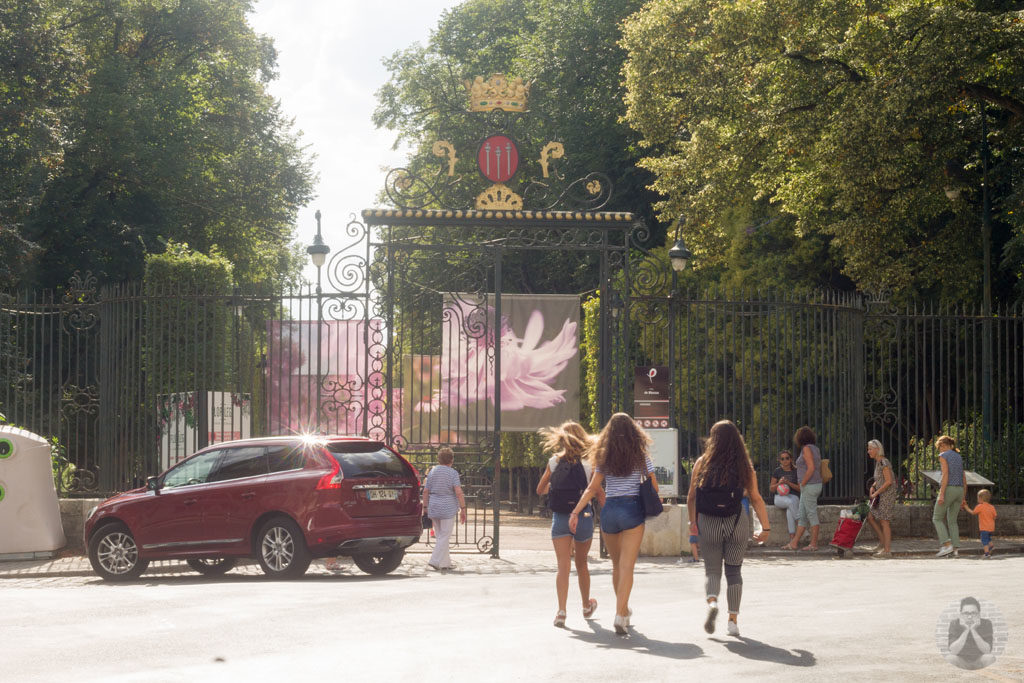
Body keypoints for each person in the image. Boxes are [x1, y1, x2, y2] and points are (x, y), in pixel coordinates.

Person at [569, 412, 657, 635]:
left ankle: (624, 610)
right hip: (632, 509)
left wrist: (576, 511)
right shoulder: (641, 455)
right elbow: (654, 486)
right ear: (633, 432)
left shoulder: (603, 456)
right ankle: (620, 613)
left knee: (616, 565)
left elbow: (592, 488)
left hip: (609, 511)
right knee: (628, 566)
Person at [688, 420, 771, 637]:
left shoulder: (702, 463)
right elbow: (756, 498)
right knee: (734, 571)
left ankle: (713, 603)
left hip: (708, 522)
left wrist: (692, 524)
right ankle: (733, 621)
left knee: (712, 570)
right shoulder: (744, 466)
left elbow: (691, 498)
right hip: (736, 521)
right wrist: (766, 528)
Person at [536, 421, 604, 627]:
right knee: (582, 563)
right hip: (582, 516)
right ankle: (585, 605)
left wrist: (556, 487)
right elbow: (597, 492)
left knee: (563, 566)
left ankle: (561, 612)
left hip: (560, 517)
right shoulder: (589, 463)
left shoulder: (554, 462)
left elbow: (540, 489)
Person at [421, 446, 466, 571]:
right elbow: (458, 492)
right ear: (451, 460)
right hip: (448, 508)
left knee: (441, 535)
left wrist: (425, 507)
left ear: (439, 459)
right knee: (445, 536)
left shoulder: (432, 472)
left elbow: (425, 491)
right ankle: (434, 560)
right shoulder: (453, 473)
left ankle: (445, 564)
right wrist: (463, 508)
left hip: (434, 507)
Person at [782, 426, 822, 551]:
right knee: (802, 515)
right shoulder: (815, 448)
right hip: (812, 485)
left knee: (811, 514)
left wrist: (803, 483)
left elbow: (811, 468)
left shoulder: (806, 449)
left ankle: (814, 544)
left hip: (809, 485)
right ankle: (794, 543)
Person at [933, 435, 964, 558]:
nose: (941, 448)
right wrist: (963, 496)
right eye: (940, 446)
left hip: (949, 489)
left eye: (942, 446)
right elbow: (963, 477)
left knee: (937, 518)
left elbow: (945, 475)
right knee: (952, 521)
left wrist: (941, 494)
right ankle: (955, 550)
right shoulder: (958, 456)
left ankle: (946, 545)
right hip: (959, 490)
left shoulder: (943, 456)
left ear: (947, 446)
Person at [864, 439, 897, 558]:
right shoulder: (879, 462)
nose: (868, 451)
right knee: (870, 517)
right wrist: (873, 486)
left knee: (884, 521)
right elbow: (880, 479)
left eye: (870, 449)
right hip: (881, 494)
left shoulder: (883, 462)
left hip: (887, 495)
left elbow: (889, 481)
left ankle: (887, 550)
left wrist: (875, 493)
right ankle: (883, 542)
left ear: (877, 449)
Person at [945, 597, 996, 670]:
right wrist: (966, 630)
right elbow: (953, 651)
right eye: (966, 613)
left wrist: (973, 629)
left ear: (979, 614)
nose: (970, 617)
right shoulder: (954, 623)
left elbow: (987, 650)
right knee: (950, 658)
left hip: (980, 660)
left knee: (989, 657)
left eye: (973, 613)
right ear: (961, 614)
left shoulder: (986, 623)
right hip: (961, 661)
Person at [768, 450, 801, 545]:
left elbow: (800, 489)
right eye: (782, 459)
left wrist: (788, 483)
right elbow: (771, 489)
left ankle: (792, 539)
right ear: (780, 460)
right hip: (780, 498)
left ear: (791, 459)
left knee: (789, 511)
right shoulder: (777, 471)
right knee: (790, 503)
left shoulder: (796, 471)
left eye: (787, 458)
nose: (785, 460)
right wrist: (780, 483)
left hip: (793, 496)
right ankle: (801, 526)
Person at [962, 489, 997, 558]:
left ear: (980, 498)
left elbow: (973, 512)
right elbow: (995, 517)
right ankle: (991, 546)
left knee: (984, 540)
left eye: (977, 497)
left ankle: (986, 553)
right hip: (991, 527)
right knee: (988, 538)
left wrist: (966, 506)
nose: (977, 499)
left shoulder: (980, 506)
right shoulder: (992, 507)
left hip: (984, 527)